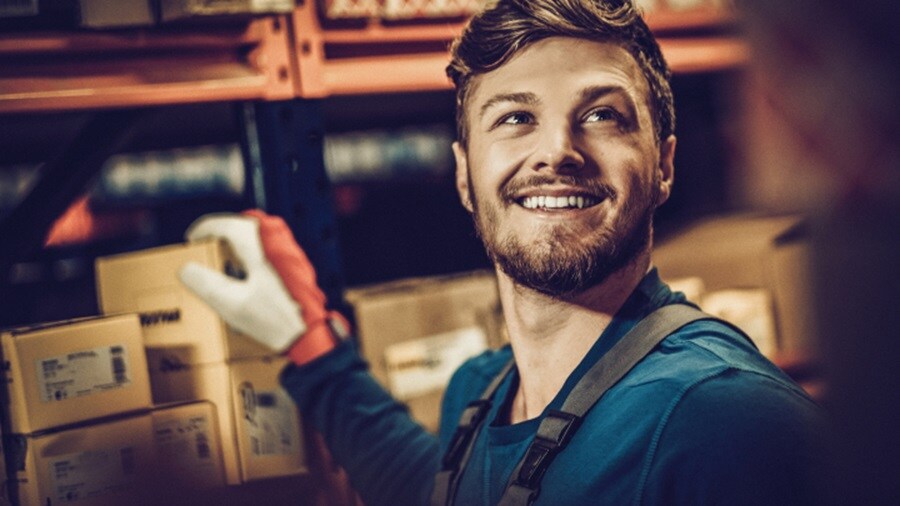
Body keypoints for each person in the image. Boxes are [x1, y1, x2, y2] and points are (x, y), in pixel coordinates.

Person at [178, 1, 826, 504]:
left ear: (664, 165)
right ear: (464, 175)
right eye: (515, 118)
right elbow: (433, 492)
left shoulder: (725, 424)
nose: (556, 151)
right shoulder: (481, 394)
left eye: (602, 115)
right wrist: (311, 347)